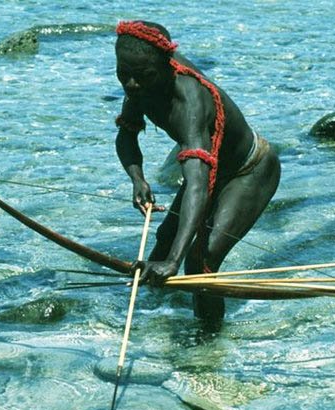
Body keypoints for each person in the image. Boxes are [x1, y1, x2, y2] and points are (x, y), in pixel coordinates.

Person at [113, 21, 281, 328]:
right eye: (123, 74)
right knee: (165, 238)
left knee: (199, 264)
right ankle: (151, 318)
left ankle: (207, 345)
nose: (132, 85)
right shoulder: (140, 80)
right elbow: (126, 137)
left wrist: (174, 262)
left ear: (166, 66)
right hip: (213, 167)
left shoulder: (190, 100)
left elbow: (197, 186)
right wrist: (138, 179)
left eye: (143, 76)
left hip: (249, 171)